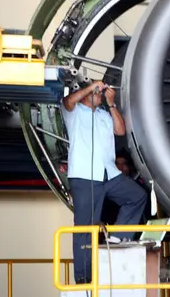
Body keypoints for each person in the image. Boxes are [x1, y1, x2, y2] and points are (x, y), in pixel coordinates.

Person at [61, 80, 148, 285]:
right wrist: (91, 87)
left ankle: (118, 235)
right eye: (96, 93)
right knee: (85, 227)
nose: (99, 94)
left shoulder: (103, 115)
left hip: (109, 173)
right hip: (84, 176)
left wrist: (111, 104)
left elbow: (120, 131)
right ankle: (84, 277)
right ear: (85, 94)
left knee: (137, 196)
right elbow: (68, 101)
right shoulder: (74, 112)